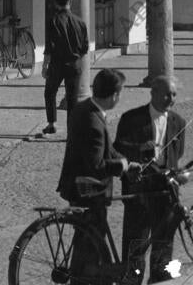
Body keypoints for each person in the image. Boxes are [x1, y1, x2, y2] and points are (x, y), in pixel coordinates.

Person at [57, 69, 141, 276]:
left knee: (85, 246)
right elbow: (96, 164)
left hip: (77, 187)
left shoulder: (85, 108)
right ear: (114, 95)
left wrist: (127, 163)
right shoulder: (94, 120)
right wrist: (120, 167)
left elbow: (106, 149)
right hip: (89, 191)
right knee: (91, 251)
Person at [114, 76, 186, 284]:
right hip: (140, 192)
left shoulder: (178, 122)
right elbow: (119, 148)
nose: (170, 99)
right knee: (135, 248)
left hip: (166, 193)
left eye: (173, 94)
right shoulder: (131, 119)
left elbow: (177, 153)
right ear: (153, 93)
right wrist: (140, 150)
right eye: (166, 94)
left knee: (164, 248)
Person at [42, 0, 88, 134]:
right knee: (72, 98)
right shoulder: (80, 22)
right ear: (70, 3)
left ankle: (52, 123)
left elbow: (49, 46)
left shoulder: (53, 21)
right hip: (74, 64)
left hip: (57, 63)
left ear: (56, 3)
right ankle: (71, 131)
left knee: (50, 92)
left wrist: (45, 65)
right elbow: (85, 47)